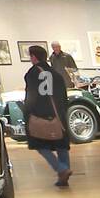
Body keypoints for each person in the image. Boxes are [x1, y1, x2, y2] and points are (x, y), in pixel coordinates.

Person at [23, 45, 72, 188]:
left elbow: (30, 97)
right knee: (61, 145)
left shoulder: (31, 73)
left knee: (38, 143)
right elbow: (64, 97)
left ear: (34, 57)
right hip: (58, 115)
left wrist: (27, 114)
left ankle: (61, 169)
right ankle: (64, 177)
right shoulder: (56, 74)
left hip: (40, 115)